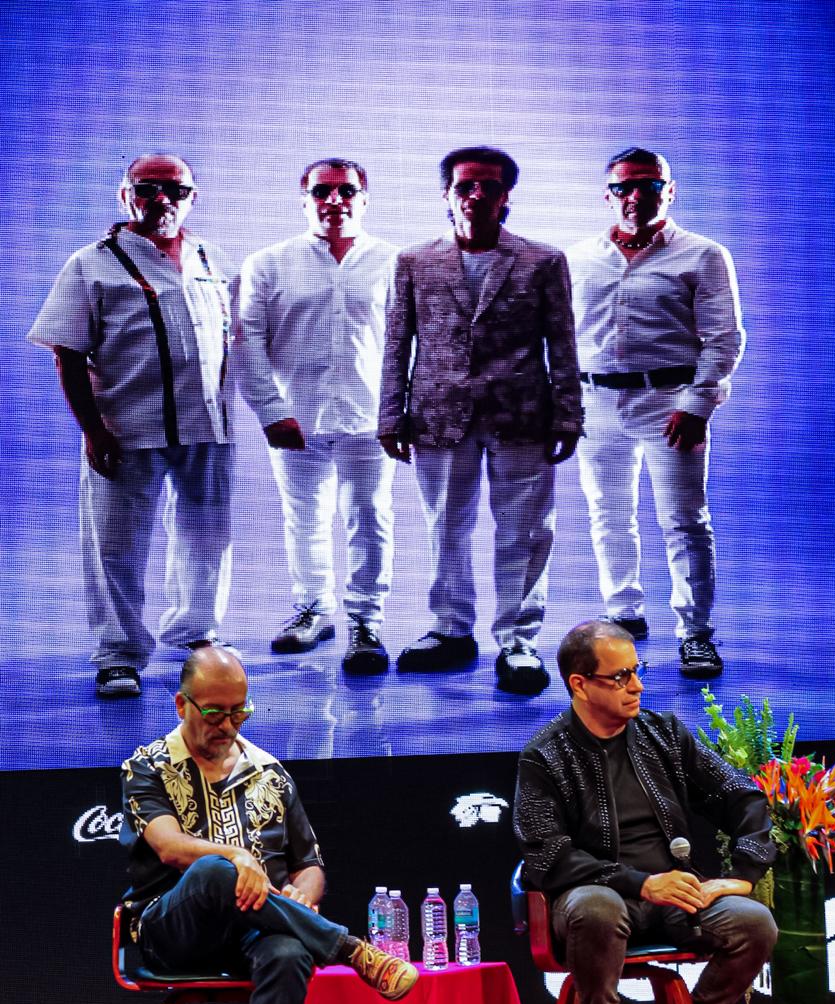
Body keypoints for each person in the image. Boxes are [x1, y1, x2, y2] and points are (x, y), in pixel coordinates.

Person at [120, 645, 417, 1004]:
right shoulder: (148, 766)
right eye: (215, 713)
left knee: (287, 953)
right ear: (182, 705)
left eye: (240, 712)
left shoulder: (270, 773)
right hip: (172, 932)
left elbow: (310, 865)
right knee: (214, 871)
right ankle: (349, 949)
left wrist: (301, 895)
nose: (228, 726)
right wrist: (237, 857)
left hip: (252, 932)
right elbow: (168, 846)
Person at [514, 620, 777, 1004]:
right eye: (620, 677)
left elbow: (741, 795)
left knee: (752, 923)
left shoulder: (664, 735)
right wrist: (641, 883)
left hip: (673, 898)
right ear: (580, 684)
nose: (636, 686)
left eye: (637, 671)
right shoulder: (545, 756)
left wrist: (744, 872)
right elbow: (547, 855)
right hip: (595, 901)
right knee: (596, 906)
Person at [28, 154, 237, 699]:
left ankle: (196, 635)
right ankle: (118, 654)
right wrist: (93, 429)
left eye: (176, 189)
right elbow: (68, 353)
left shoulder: (207, 258)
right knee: (116, 545)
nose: (162, 199)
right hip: (127, 425)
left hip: (206, 423)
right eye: (148, 188)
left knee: (207, 537)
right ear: (126, 195)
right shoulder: (91, 264)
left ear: (192, 197)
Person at [378, 146, 584, 696]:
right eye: (464, 186)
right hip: (438, 414)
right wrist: (390, 414)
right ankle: (450, 630)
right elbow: (397, 342)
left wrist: (568, 415)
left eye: (488, 186)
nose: (475, 195)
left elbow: (563, 343)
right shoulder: (414, 261)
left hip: (523, 412)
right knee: (445, 526)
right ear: (447, 194)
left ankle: (518, 643)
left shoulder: (543, 260)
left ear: (505, 196)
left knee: (525, 531)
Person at [568, 148, 745, 679]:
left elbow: (725, 337)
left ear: (669, 191)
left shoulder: (703, 255)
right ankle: (623, 614)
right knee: (607, 513)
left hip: (669, 401)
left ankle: (695, 633)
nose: (635, 195)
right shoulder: (578, 259)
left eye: (649, 184)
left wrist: (697, 403)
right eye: (624, 186)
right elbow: (562, 336)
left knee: (684, 520)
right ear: (607, 196)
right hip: (596, 401)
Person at [238, 158, 396, 675]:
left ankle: (366, 621)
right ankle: (313, 611)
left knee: (369, 517)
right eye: (321, 191)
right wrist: (271, 410)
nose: (334, 201)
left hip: (370, 418)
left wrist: (400, 410)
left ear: (364, 199)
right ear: (304, 200)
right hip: (296, 418)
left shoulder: (392, 263)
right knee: (304, 518)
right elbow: (247, 341)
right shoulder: (268, 264)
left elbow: (408, 344)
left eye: (346, 191)